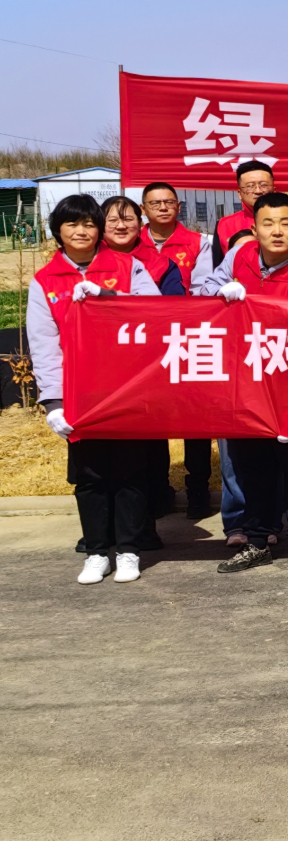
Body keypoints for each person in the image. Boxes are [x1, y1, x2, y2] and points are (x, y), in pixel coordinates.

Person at [30, 193, 162, 584]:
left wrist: (111, 298)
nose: (81, 231)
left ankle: (129, 550)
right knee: (89, 477)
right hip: (80, 393)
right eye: (72, 224)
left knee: (130, 472)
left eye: (89, 223)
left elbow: (155, 313)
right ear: (58, 231)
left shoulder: (127, 266)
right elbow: (44, 344)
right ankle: (96, 551)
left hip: (126, 387)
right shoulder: (45, 280)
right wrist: (53, 402)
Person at [198, 193, 288, 578]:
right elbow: (202, 295)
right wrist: (221, 294)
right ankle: (256, 541)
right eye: (268, 223)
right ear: (254, 228)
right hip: (246, 387)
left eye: (285, 223)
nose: (277, 231)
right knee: (252, 467)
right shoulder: (238, 258)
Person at [99, 196, 186, 543]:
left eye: (129, 219)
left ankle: (144, 523)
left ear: (141, 222)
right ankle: (101, 527)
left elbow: (174, 310)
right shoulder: (86, 261)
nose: (121, 226)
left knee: (146, 449)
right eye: (112, 220)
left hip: (144, 368)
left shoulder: (160, 264)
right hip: (98, 370)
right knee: (98, 448)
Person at [138, 181, 218, 519]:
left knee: (194, 416)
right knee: (150, 416)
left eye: (169, 202)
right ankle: (158, 489)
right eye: (154, 203)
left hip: (188, 336)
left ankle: (198, 489)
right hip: (144, 342)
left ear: (179, 207)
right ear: (143, 209)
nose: (162, 207)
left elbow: (203, 288)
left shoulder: (198, 242)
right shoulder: (132, 242)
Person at [211, 160, 288, 266]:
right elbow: (218, 267)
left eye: (263, 185)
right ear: (240, 193)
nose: (258, 191)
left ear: (274, 190)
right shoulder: (224, 225)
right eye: (250, 186)